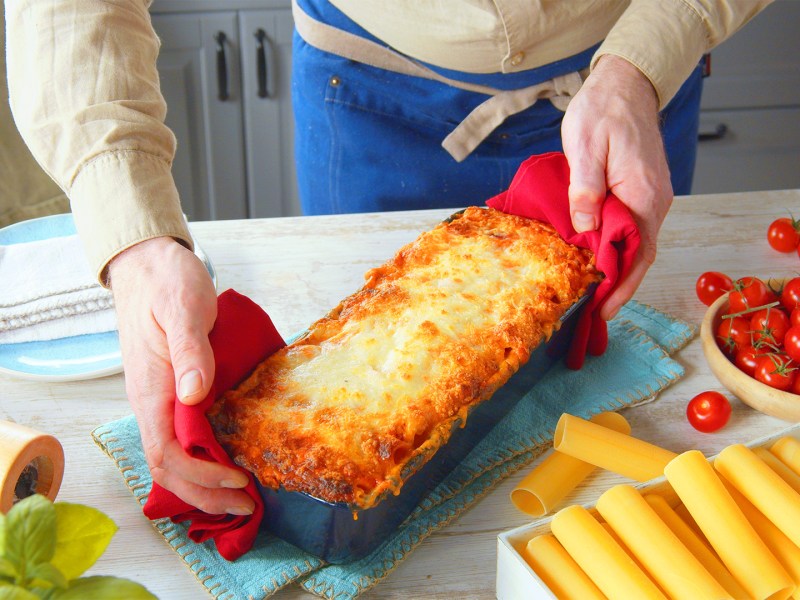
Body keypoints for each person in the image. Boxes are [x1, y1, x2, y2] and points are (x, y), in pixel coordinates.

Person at [5, 0, 771, 517]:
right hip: (370, 93)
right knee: (365, 353)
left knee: (577, 318)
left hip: (630, 78)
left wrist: (642, 60)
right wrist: (134, 235)